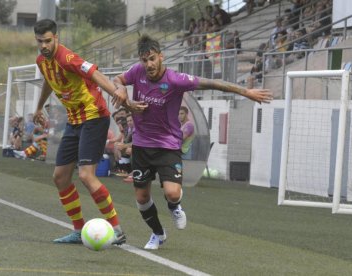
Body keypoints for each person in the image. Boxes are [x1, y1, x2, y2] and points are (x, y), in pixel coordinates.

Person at [113, 34, 272, 250]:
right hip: (142, 145)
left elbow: (215, 83)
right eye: (144, 60)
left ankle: (175, 206)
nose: (148, 64)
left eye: (152, 59)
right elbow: (118, 79)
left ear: (161, 57)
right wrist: (121, 89)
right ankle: (158, 234)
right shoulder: (137, 72)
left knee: (172, 192)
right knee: (142, 197)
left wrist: (246, 91)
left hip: (167, 145)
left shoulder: (175, 80)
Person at [32, 19, 128, 245]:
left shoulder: (67, 57)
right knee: (60, 177)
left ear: (56, 38)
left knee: (86, 175)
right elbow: (49, 80)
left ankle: (117, 230)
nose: (44, 46)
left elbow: (94, 73)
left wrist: (117, 92)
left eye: (47, 41)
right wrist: (38, 107)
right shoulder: (42, 60)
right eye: (39, 42)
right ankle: (78, 230)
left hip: (94, 117)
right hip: (75, 121)